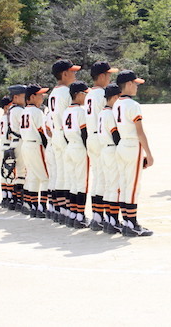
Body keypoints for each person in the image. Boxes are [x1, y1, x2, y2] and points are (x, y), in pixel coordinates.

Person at [113, 70, 155, 237]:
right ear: (129, 84)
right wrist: (149, 154)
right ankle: (131, 223)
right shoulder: (133, 105)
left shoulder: (116, 103)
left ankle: (127, 221)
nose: (137, 86)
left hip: (122, 144)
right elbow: (140, 132)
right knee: (133, 186)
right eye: (135, 83)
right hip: (132, 145)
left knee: (124, 184)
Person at [85, 61, 118, 230]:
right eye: (109, 74)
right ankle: (109, 218)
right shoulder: (102, 94)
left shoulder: (89, 94)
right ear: (103, 76)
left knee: (98, 178)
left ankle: (97, 217)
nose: (110, 78)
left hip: (91, 136)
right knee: (108, 178)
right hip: (101, 137)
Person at [48, 59, 80, 224]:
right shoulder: (66, 92)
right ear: (65, 74)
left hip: (56, 134)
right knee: (69, 174)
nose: (75, 74)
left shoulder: (53, 93)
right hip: (65, 134)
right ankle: (69, 211)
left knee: (60, 173)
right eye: (72, 71)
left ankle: (60, 210)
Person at [63, 81, 90, 228]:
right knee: (81, 183)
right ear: (78, 94)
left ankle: (72, 214)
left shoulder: (66, 111)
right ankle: (80, 215)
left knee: (72, 182)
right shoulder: (81, 111)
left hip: (69, 146)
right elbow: (85, 133)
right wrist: (88, 150)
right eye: (84, 93)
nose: (86, 96)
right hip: (79, 146)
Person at [20, 84, 50, 218]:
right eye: (40, 94)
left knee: (32, 176)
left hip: (25, 144)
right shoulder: (37, 112)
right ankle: (42, 207)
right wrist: (47, 146)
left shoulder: (23, 111)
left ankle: (32, 206)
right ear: (32, 97)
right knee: (45, 177)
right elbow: (42, 132)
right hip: (35, 145)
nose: (42, 97)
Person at [98, 84, 123, 234]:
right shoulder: (110, 114)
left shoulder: (102, 112)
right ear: (114, 98)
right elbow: (116, 136)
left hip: (103, 149)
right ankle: (113, 221)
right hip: (111, 149)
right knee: (114, 186)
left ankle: (109, 219)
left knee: (108, 185)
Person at [6, 85, 27, 211]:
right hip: (19, 141)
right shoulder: (18, 110)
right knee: (22, 171)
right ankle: (20, 199)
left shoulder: (12, 109)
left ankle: (15, 198)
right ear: (16, 97)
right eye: (23, 96)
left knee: (17, 172)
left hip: (14, 141)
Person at [0, 95, 12, 207]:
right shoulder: (8, 118)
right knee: (11, 172)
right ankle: (10, 197)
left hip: (2, 146)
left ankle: (5, 196)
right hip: (8, 146)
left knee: (4, 174)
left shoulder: (2, 118)